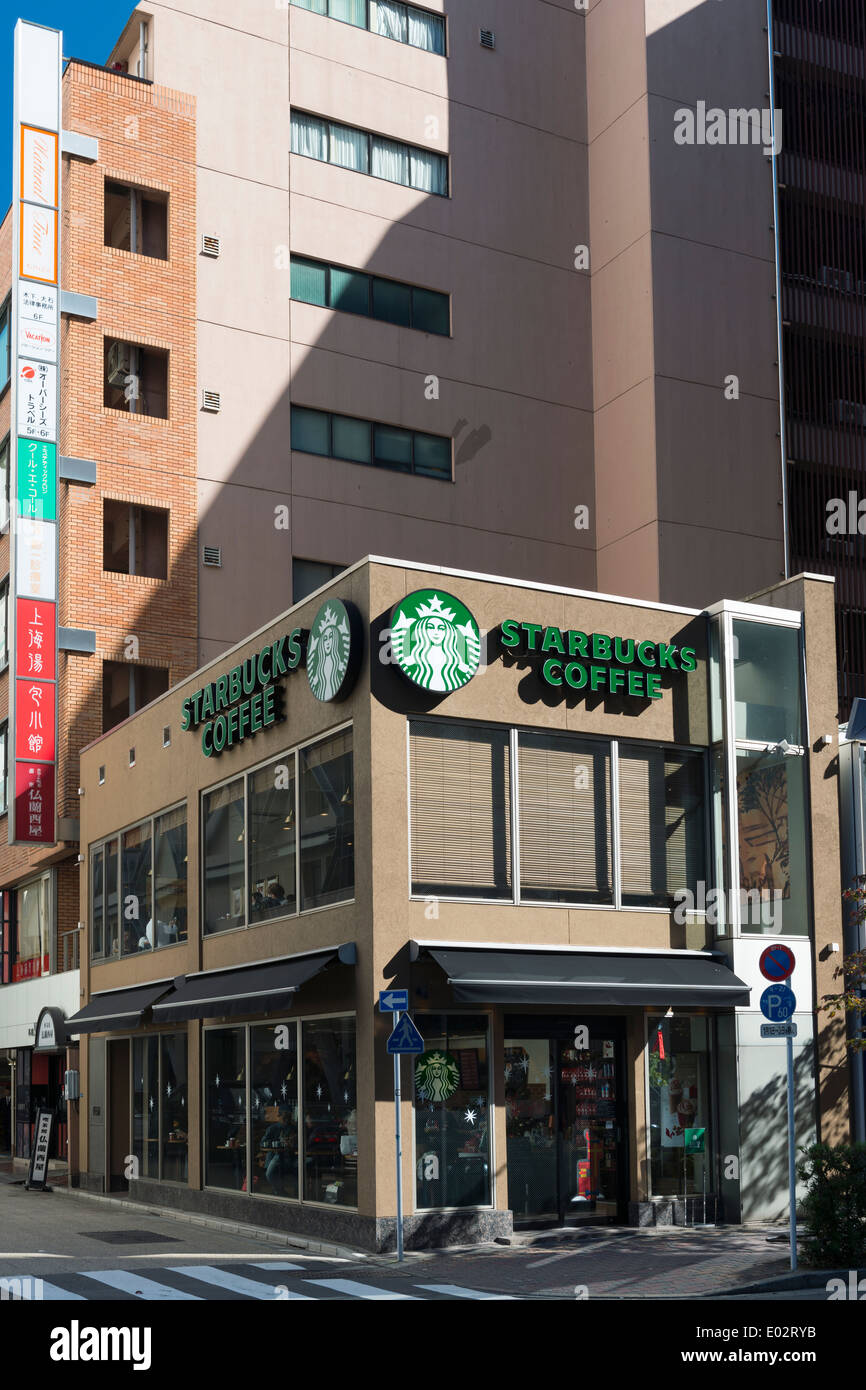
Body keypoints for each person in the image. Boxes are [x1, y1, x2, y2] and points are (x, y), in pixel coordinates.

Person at [259, 1104, 297, 1196]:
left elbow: (297, 1144)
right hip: (275, 1156)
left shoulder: (294, 1128)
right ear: (279, 1116)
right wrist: (278, 1143)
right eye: (285, 1117)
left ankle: (282, 1192)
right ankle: (280, 1192)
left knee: (299, 1169)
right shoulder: (272, 1128)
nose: (287, 1120)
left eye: (288, 1117)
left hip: (290, 1157)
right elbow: (263, 1143)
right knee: (270, 1174)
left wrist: (292, 1143)